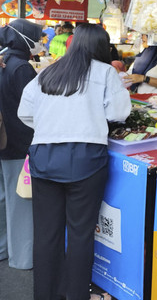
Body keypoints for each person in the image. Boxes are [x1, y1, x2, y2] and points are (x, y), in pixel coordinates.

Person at [17, 24, 131, 299]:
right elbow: (120, 112)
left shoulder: (48, 71)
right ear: (102, 47)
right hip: (85, 160)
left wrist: (52, 126)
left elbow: (25, 112)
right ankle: (77, 294)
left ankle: (45, 294)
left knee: (46, 234)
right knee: (80, 234)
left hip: (43, 157)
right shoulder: (105, 72)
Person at [0, 19, 42, 271]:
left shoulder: (4, 62)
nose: (40, 43)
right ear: (25, 38)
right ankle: (22, 258)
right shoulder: (21, 67)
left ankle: (4, 249)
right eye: (37, 37)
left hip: (5, 141)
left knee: (4, 200)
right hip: (20, 142)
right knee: (21, 204)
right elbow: (35, 108)